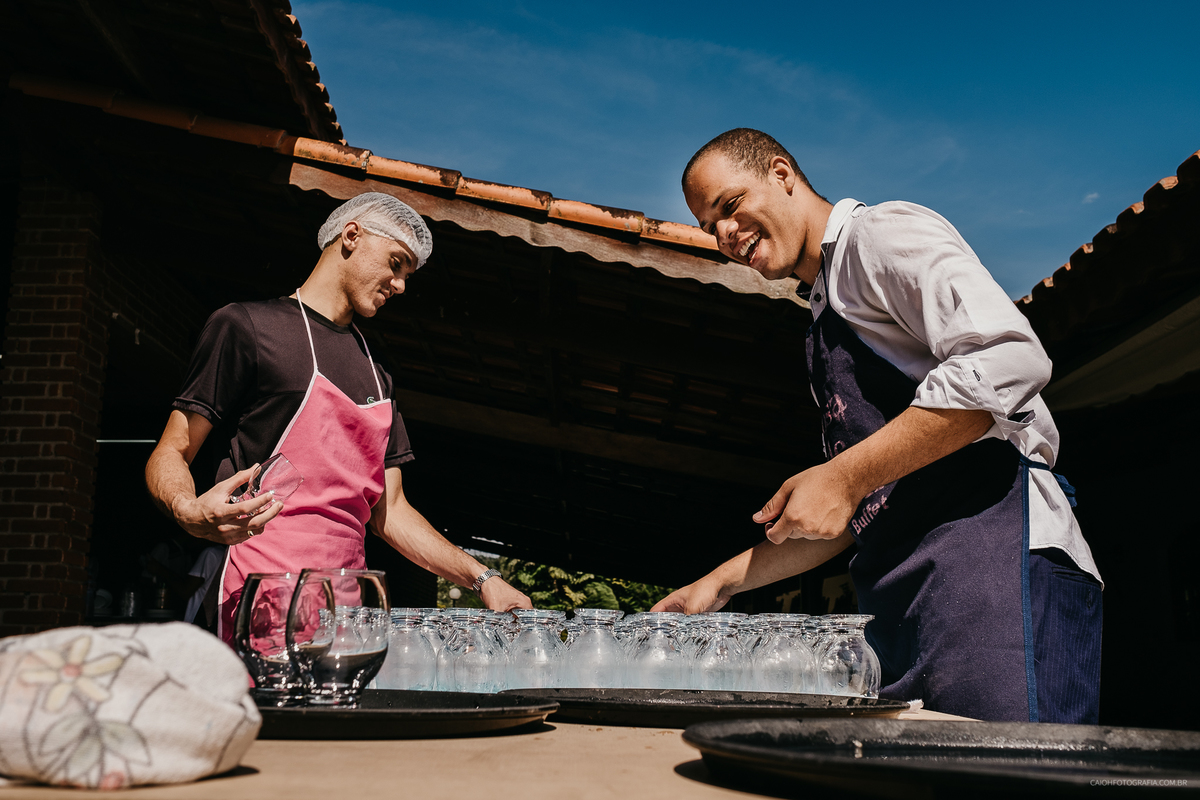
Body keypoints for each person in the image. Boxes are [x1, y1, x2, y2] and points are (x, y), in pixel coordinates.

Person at [653, 128, 1102, 723]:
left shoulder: (878, 236)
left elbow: (1010, 357)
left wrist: (843, 474)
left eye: (729, 206)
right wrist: (718, 583)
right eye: (710, 227)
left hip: (992, 561)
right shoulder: (821, 320)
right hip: (904, 593)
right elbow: (859, 503)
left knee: (1016, 779)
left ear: (782, 174)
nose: (725, 235)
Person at [146, 193, 531, 642]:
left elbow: (391, 510)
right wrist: (186, 508)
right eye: (395, 263)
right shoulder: (248, 326)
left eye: (407, 274)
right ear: (351, 236)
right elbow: (171, 449)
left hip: (344, 610)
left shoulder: (377, 368)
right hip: (258, 589)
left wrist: (483, 578)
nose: (401, 285)